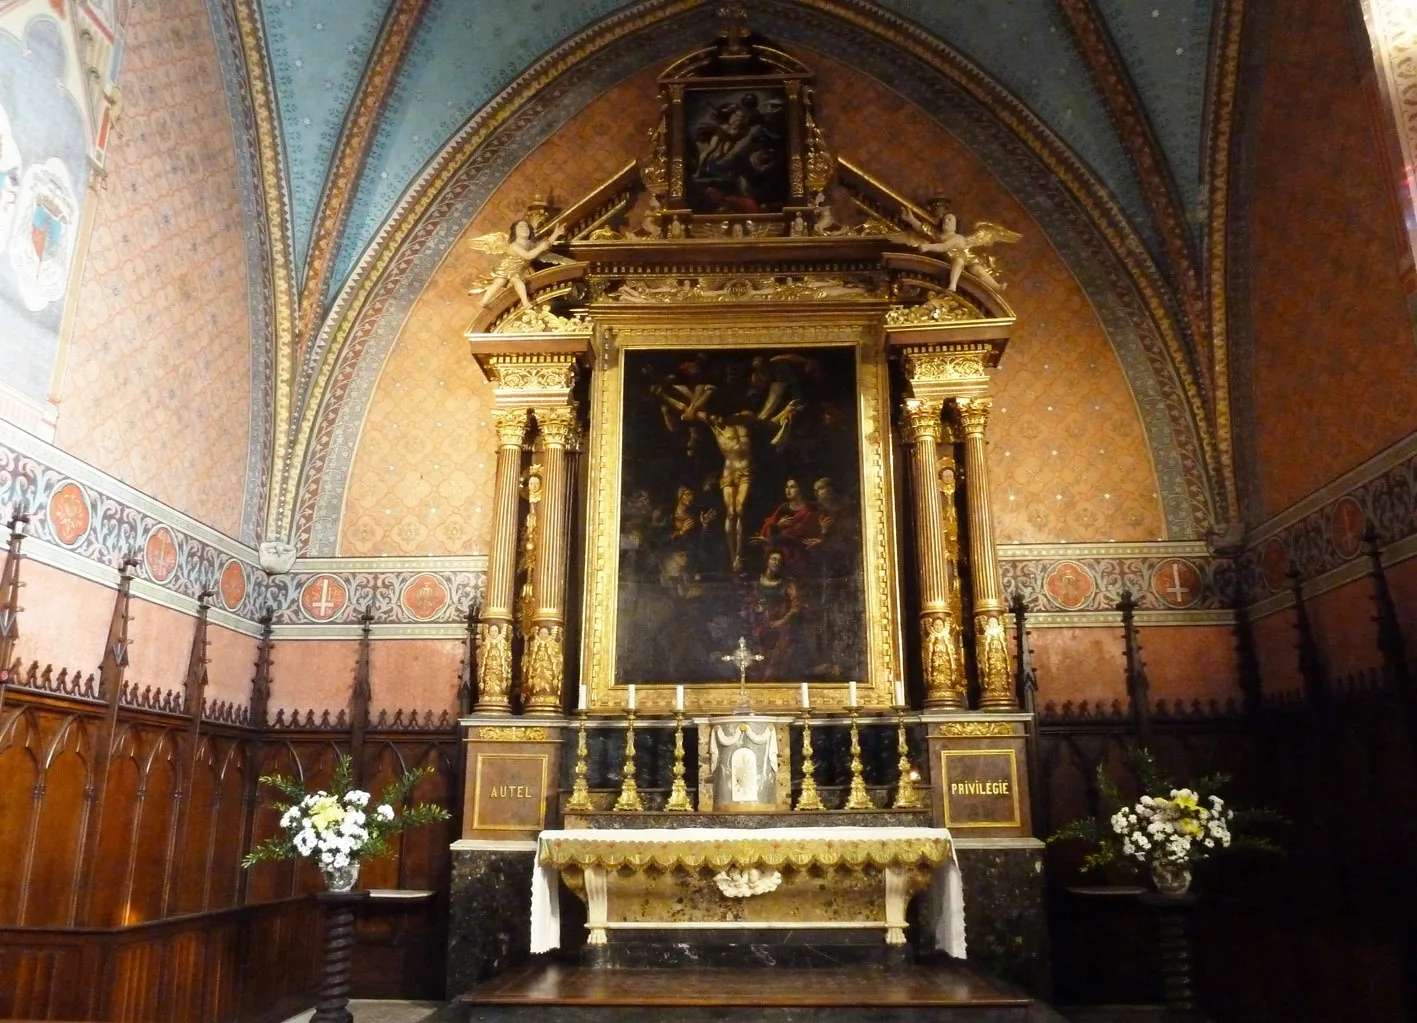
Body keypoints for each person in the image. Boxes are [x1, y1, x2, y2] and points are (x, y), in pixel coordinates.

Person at [467, 219, 568, 311]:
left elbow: (546, 244)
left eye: (527, 227)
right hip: (508, 266)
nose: (525, 229)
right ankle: (485, 301)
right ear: (515, 231)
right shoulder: (514, 245)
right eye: (521, 227)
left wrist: (556, 234)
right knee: (501, 282)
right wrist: (540, 248)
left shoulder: (529, 243)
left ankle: (524, 302)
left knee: (512, 282)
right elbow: (528, 256)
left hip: (519, 268)